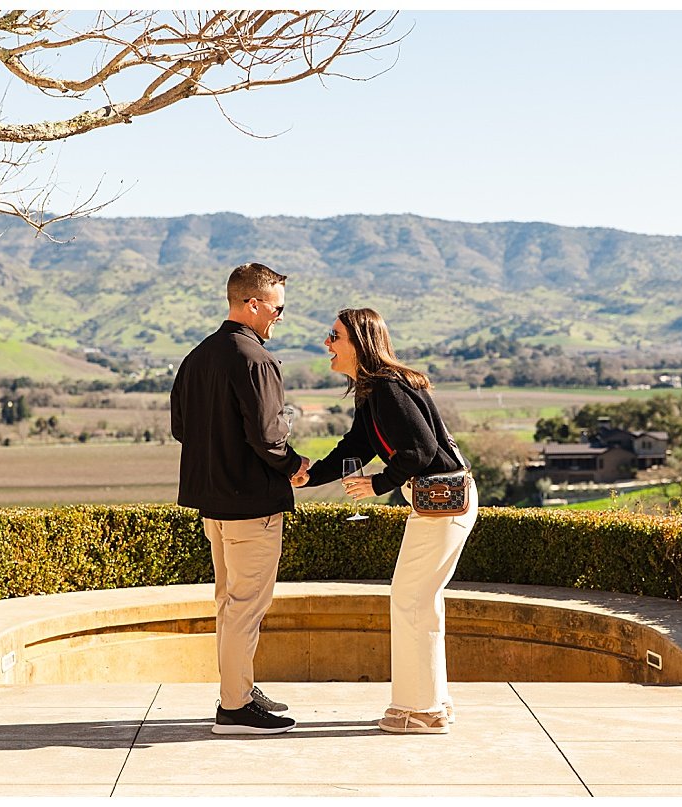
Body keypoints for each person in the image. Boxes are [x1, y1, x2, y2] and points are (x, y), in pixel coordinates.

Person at [291, 307, 478, 734]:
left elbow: (422, 450)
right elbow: (353, 446)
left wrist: (379, 485)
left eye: (334, 336)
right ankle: (433, 704)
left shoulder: (389, 390)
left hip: (442, 505)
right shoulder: (372, 392)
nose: (327, 343)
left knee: (410, 599)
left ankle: (421, 711)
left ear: (359, 342)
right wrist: (310, 476)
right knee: (419, 601)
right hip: (440, 505)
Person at [170, 262, 308, 735]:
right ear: (253, 304)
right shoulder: (257, 361)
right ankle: (234, 708)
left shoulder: (197, 357)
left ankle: (241, 690)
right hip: (254, 506)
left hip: (214, 506)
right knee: (246, 608)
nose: (279, 317)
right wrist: (295, 466)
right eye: (277, 307)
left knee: (229, 605)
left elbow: (180, 430)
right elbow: (269, 437)